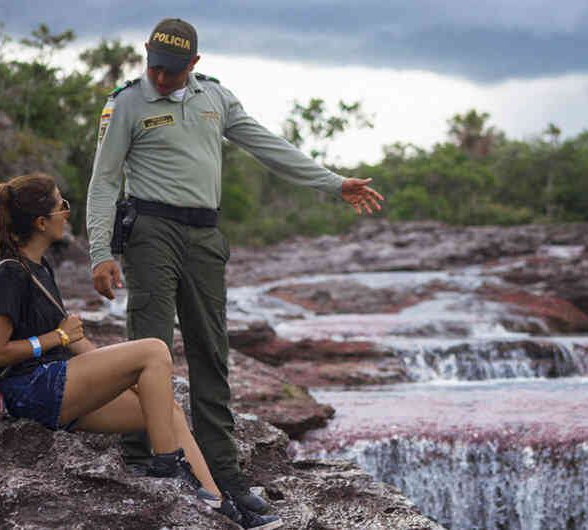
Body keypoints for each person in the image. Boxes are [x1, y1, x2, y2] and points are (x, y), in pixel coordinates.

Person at [86, 17, 384, 521]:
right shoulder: (127, 102)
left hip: (204, 235)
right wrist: (100, 253)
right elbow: (103, 180)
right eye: (155, 67)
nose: (161, 78)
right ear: (146, 56)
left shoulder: (217, 99)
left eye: (173, 71)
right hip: (150, 231)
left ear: (195, 65)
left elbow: (269, 146)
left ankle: (225, 473)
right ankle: (143, 458)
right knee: (150, 347)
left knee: (211, 352)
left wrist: (333, 183)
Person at [0, 173, 282, 530]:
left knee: (165, 409)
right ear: (41, 221)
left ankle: (215, 502)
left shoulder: (40, 268)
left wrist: (122, 378)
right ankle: (168, 465)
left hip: (58, 388)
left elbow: (76, 342)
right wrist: (54, 339)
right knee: (154, 349)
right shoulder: (8, 274)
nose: (67, 212)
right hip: (29, 391)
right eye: (62, 205)